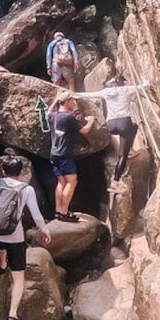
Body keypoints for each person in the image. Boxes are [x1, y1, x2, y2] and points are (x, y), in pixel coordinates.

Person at [0, 149, 52, 320]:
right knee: (19, 277)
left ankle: (2, 263)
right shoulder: (26, 189)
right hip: (14, 238)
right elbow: (36, 216)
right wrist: (45, 231)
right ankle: (12, 313)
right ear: (21, 173)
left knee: (0, 244)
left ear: (4, 171)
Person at [75, 75, 149, 194]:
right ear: (123, 83)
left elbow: (90, 94)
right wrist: (145, 81)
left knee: (134, 127)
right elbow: (144, 86)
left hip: (111, 125)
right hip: (124, 124)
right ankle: (115, 181)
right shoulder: (126, 89)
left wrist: (75, 94)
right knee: (122, 155)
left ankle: (129, 150)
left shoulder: (107, 91)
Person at [47, 90, 95, 222]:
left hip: (54, 154)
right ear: (66, 101)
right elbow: (84, 131)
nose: (74, 103)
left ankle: (58, 211)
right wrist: (91, 121)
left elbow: (47, 113)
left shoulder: (54, 116)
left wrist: (56, 99)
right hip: (65, 155)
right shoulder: (68, 118)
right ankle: (64, 212)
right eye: (72, 101)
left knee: (61, 182)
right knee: (72, 182)